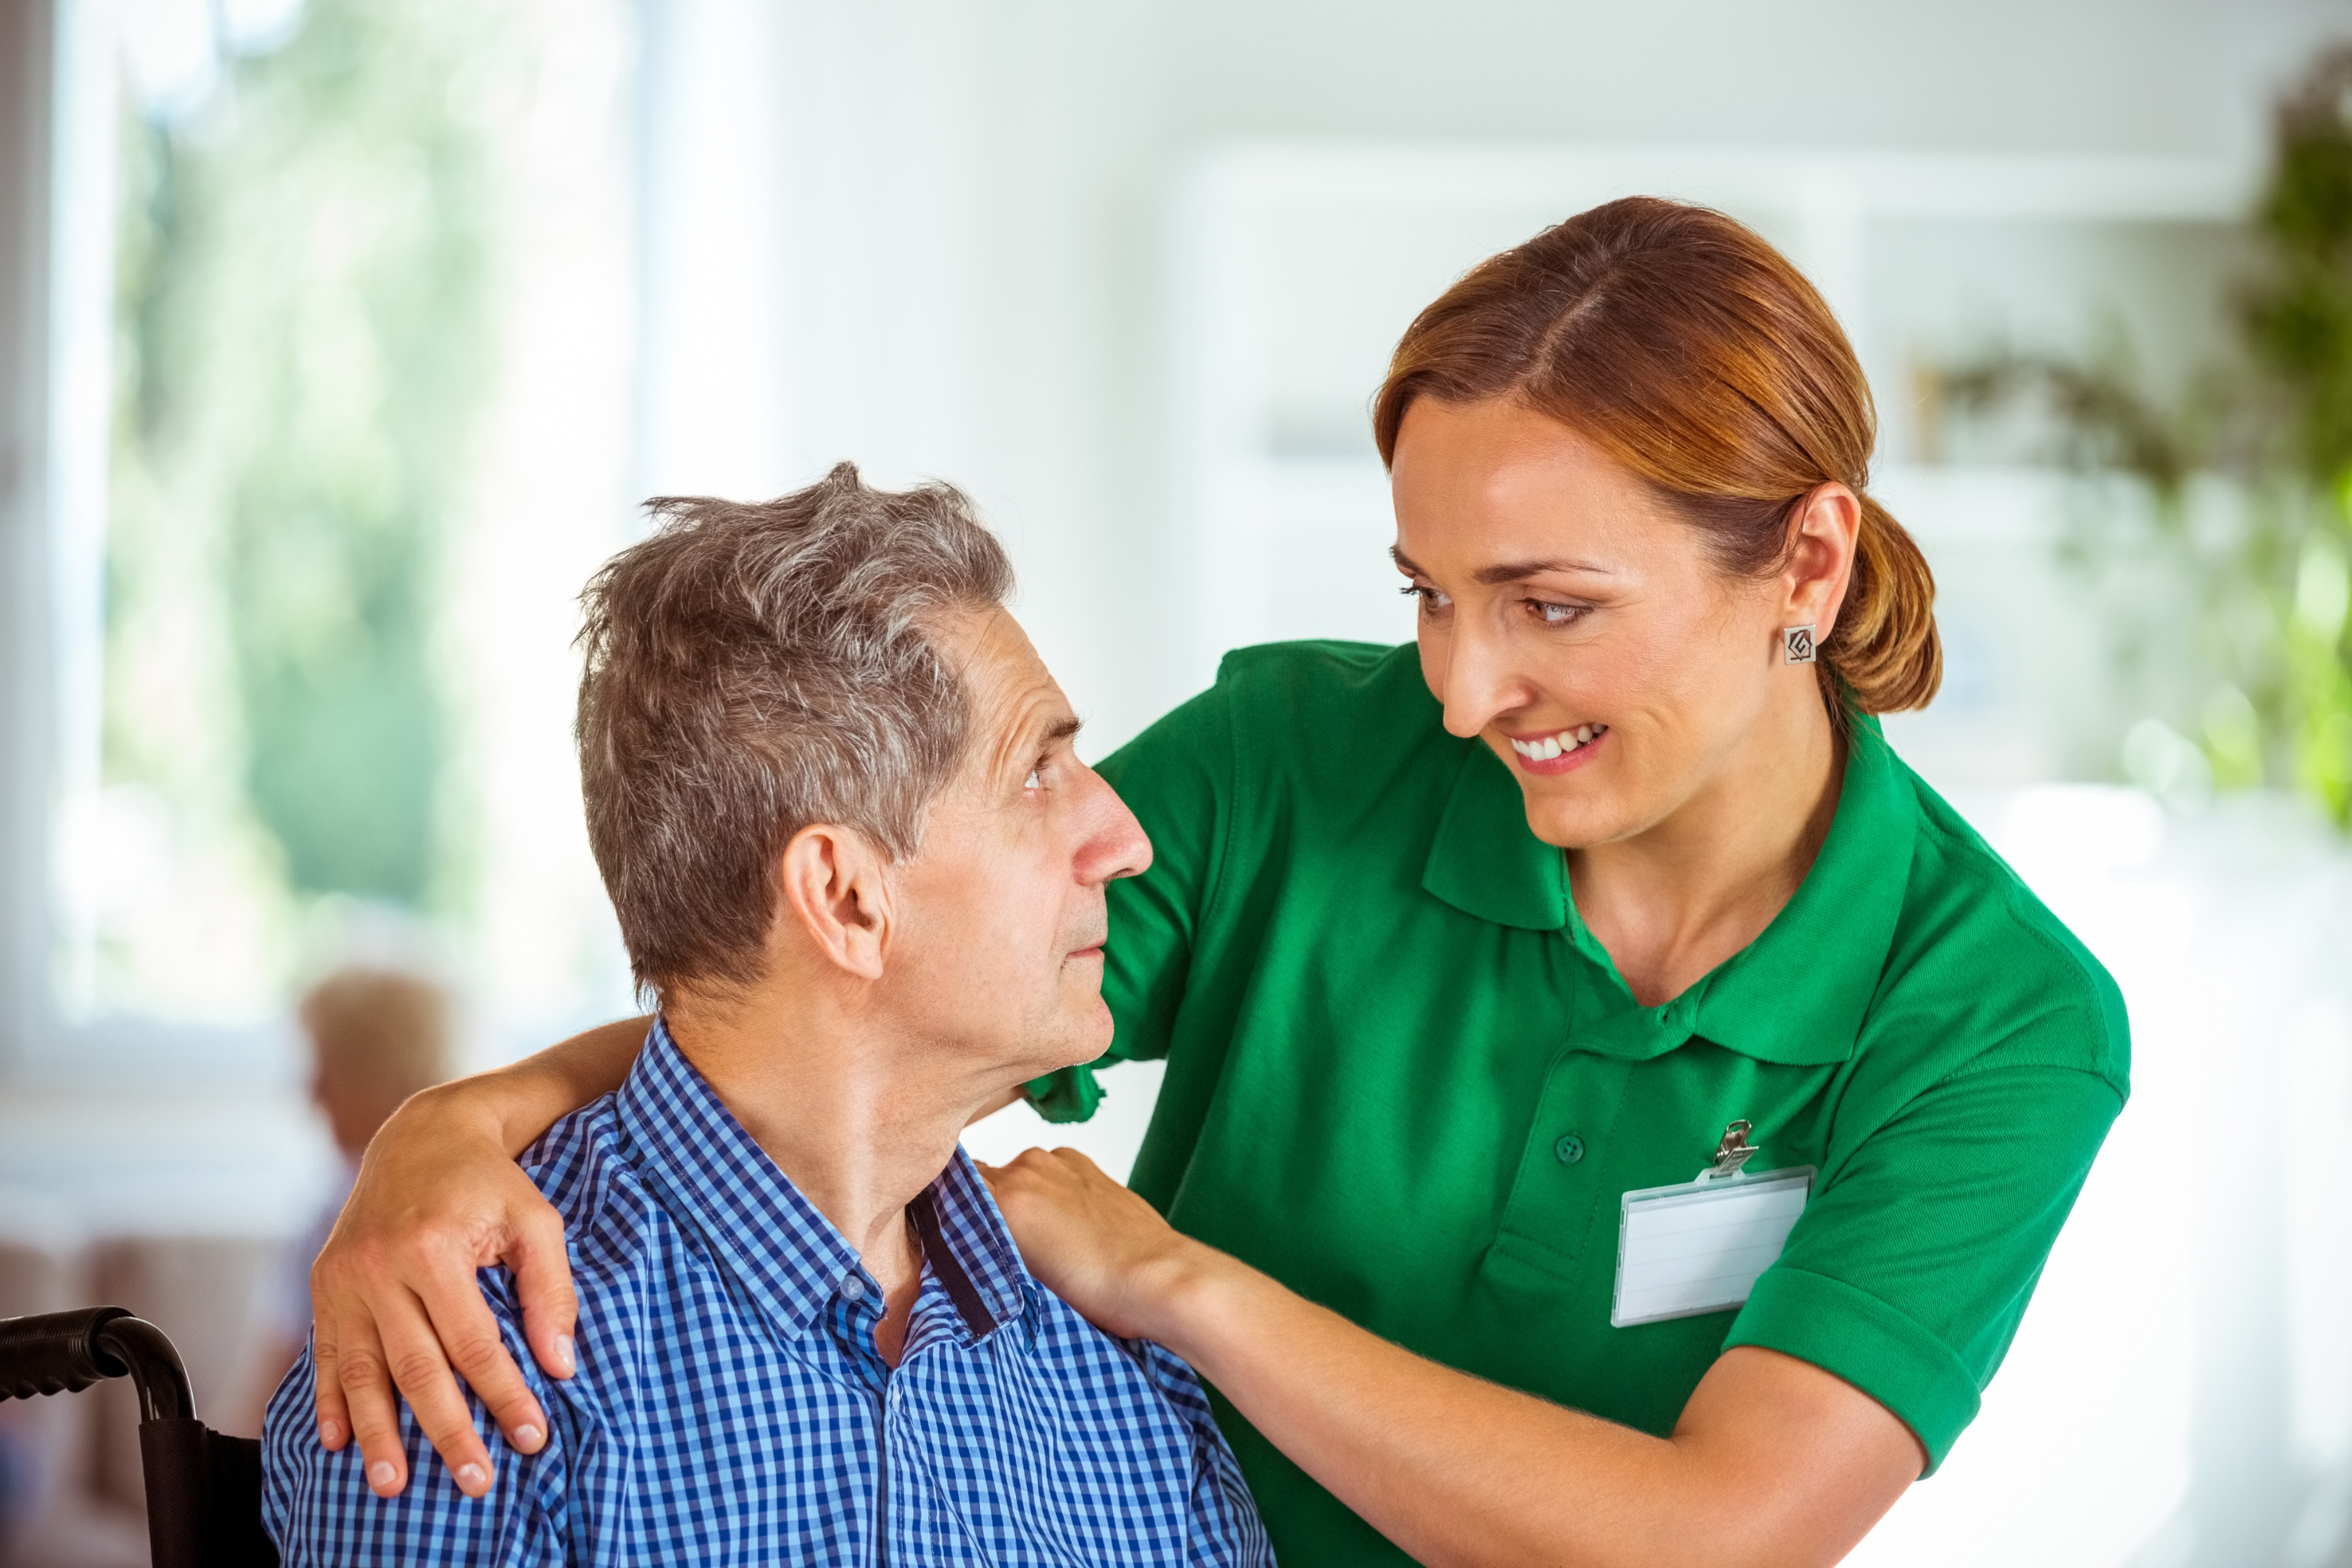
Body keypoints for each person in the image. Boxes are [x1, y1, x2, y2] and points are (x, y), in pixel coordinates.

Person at [300, 199, 2129, 1567]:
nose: (1460, 689)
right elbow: (853, 984)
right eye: (1426, 589)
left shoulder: (1997, 1017)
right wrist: (457, 1123)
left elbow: (1713, 1534)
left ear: (1800, 560)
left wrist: (1183, 1283)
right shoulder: (1299, 760)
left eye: (1548, 604)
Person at [261, 472, 1269, 1565]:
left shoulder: (1112, 1352)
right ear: (845, 899)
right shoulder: (468, 1358)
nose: (1125, 836)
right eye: (1037, 773)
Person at [232, 967, 452, 1437]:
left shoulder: (335, 1227)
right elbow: (262, 1402)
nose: (310, 1093)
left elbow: (261, 1405)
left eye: (326, 1067)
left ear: (381, 1071)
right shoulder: (321, 1220)